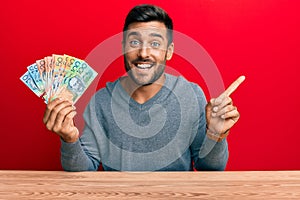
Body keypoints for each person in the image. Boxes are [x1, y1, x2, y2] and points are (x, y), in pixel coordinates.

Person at [43, 4, 244, 171]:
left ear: (169, 52)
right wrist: (69, 138)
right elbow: (84, 170)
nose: (144, 52)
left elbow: (210, 168)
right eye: (134, 42)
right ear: (123, 47)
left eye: (155, 43)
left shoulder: (192, 95)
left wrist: (216, 135)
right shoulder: (102, 101)